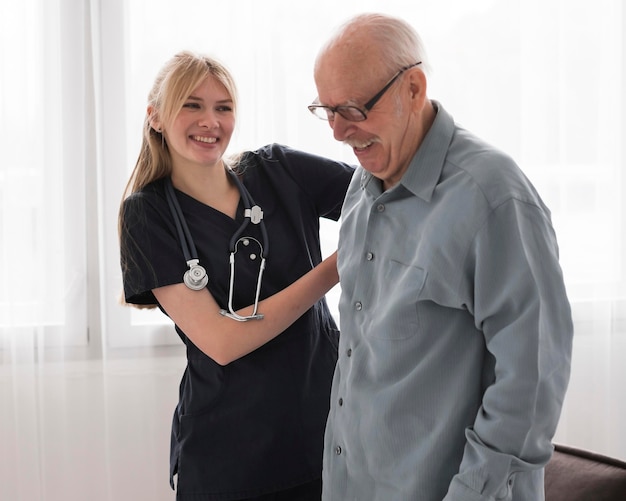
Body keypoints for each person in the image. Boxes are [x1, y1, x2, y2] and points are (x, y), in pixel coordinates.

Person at [308, 13, 574, 501]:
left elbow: (531, 384)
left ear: (413, 87)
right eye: (327, 111)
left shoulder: (493, 197)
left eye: (352, 108)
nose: (338, 132)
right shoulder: (361, 188)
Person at [118, 51, 354, 501]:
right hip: (229, 457)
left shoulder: (280, 171)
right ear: (156, 117)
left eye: (223, 107)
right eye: (192, 104)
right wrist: (339, 266)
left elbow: (386, 199)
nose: (210, 120)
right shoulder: (147, 215)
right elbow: (223, 342)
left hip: (324, 434)